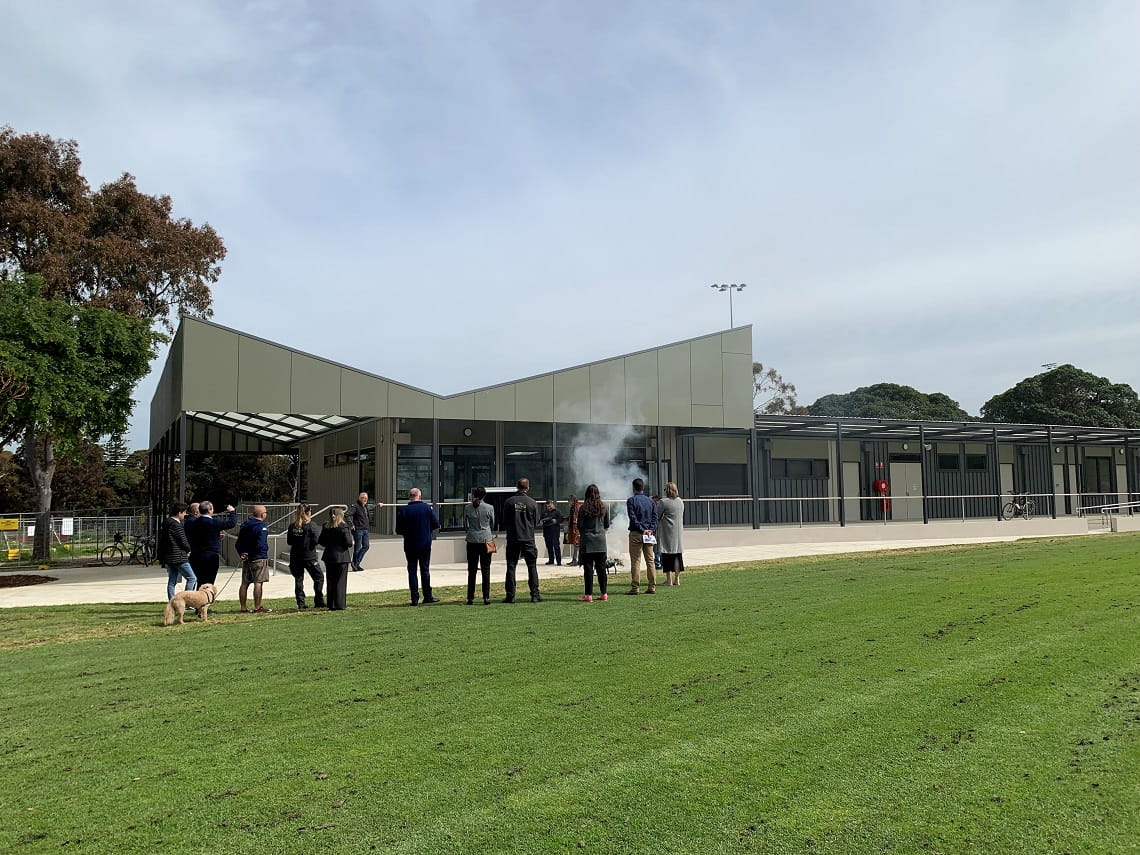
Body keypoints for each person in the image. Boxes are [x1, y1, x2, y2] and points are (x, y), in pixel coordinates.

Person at [395, 487, 441, 605]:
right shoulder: (427, 508)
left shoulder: (403, 510)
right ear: (420, 496)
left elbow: (398, 530)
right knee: (424, 569)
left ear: (409, 497)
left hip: (410, 543)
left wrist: (408, 533)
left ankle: (414, 598)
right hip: (425, 543)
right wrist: (426, 530)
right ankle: (427, 595)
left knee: (412, 570)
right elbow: (436, 524)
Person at [502, 477, 541, 603]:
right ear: (527, 488)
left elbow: (505, 521)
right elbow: (535, 522)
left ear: (516, 486)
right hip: (528, 538)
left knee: (511, 566)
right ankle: (534, 595)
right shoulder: (532, 503)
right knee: (532, 566)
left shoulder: (509, 502)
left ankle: (510, 595)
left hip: (513, 537)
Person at [185, 500, 237, 587]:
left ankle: (198, 598)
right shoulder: (214, 522)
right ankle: (206, 598)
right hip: (210, 555)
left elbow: (199, 535)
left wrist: (215, 535)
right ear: (209, 510)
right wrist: (232, 512)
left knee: (200, 581)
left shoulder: (193, 523)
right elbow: (231, 523)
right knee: (209, 581)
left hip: (196, 555)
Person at [576, 484, 611, 602]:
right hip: (600, 541)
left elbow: (579, 525)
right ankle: (604, 593)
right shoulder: (604, 506)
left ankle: (588, 595)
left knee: (588, 569)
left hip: (587, 541)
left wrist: (585, 531)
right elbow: (607, 525)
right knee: (601, 569)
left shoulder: (583, 507)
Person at [287, 504, 325, 609]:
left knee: (298, 579)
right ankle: (319, 600)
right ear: (309, 512)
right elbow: (316, 540)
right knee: (319, 577)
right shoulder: (311, 525)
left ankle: (301, 602)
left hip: (295, 556)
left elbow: (289, 541)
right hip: (309, 556)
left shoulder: (292, 526)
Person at [236, 504, 272, 613]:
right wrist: (250, 553)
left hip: (246, 558)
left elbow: (238, 543)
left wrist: (242, 554)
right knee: (258, 582)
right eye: (265, 512)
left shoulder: (244, 525)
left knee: (245, 583)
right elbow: (260, 544)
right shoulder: (261, 527)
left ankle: (243, 607)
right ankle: (257, 607)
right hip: (258, 557)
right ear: (262, 514)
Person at [157, 502, 196, 601]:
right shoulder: (176, 525)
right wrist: (188, 549)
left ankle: (171, 601)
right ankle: (187, 600)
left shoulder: (166, 524)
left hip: (169, 557)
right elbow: (183, 540)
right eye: (184, 513)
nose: (185, 515)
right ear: (179, 513)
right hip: (179, 556)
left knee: (172, 581)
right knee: (192, 578)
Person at [463, 485, 496, 605]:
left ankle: (470, 597)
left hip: (472, 539)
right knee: (486, 569)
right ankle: (486, 597)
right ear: (484, 495)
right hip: (486, 539)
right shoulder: (489, 507)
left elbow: (465, 524)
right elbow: (493, 522)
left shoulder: (467, 507)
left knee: (472, 570)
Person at [626, 477, 658, 595]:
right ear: (643, 487)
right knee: (650, 560)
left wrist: (642, 529)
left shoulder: (631, 501)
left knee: (636, 561)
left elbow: (633, 518)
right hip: (649, 534)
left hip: (636, 533)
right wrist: (650, 529)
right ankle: (652, 586)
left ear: (633, 488)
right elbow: (655, 518)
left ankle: (635, 587)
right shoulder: (651, 502)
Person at [318, 506, 353, 610]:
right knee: (340, 581)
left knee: (331, 581)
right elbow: (349, 543)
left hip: (329, 555)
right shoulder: (343, 526)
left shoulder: (326, 526)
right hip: (341, 556)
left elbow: (321, 541)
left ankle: (331, 603)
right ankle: (339, 604)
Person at [658, 482, 686, 586]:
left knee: (667, 555)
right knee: (677, 555)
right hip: (678, 532)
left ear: (667, 490)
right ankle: (677, 579)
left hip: (667, 531)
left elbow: (657, 515)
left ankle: (668, 580)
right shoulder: (680, 501)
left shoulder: (663, 502)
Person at [350, 492, 371, 571]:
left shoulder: (365, 507)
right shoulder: (355, 506)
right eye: (363, 498)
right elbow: (347, 514)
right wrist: (351, 524)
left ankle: (356, 563)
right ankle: (355, 564)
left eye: (366, 498)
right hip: (358, 530)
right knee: (358, 548)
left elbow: (373, 507)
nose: (365, 499)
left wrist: (379, 505)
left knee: (366, 546)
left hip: (365, 529)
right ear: (359, 498)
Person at [540, 499, 564, 565]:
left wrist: (556, 521)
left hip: (555, 532)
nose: (549, 507)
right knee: (549, 547)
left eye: (550, 506)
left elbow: (561, 519)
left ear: (553, 504)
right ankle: (551, 560)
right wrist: (541, 521)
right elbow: (540, 520)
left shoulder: (557, 512)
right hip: (546, 532)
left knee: (556, 546)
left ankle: (559, 561)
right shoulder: (544, 512)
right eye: (548, 506)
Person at [566, 494, 581, 565]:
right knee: (575, 545)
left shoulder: (577, 506)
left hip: (577, 529)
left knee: (577, 545)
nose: (569, 502)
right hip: (573, 529)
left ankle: (575, 560)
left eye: (569, 501)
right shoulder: (573, 507)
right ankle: (574, 560)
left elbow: (578, 518)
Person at [651, 494, 663, 573]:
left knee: (658, 548)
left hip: (658, 529)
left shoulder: (658, 509)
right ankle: (658, 563)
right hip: (656, 530)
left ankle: (658, 563)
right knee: (657, 548)